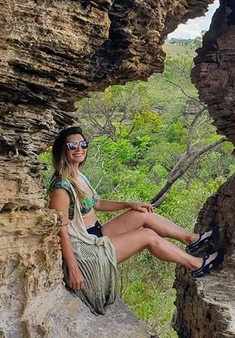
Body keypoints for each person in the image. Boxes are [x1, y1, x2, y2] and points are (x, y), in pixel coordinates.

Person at [48, 126, 223, 313]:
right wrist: (73, 267)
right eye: (72, 145)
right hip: (84, 248)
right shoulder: (61, 187)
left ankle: (192, 240)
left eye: (83, 144)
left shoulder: (78, 176)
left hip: (94, 233)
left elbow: (96, 203)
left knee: (142, 214)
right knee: (147, 236)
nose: (79, 148)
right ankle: (196, 265)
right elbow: (61, 230)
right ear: (62, 150)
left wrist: (129, 204)